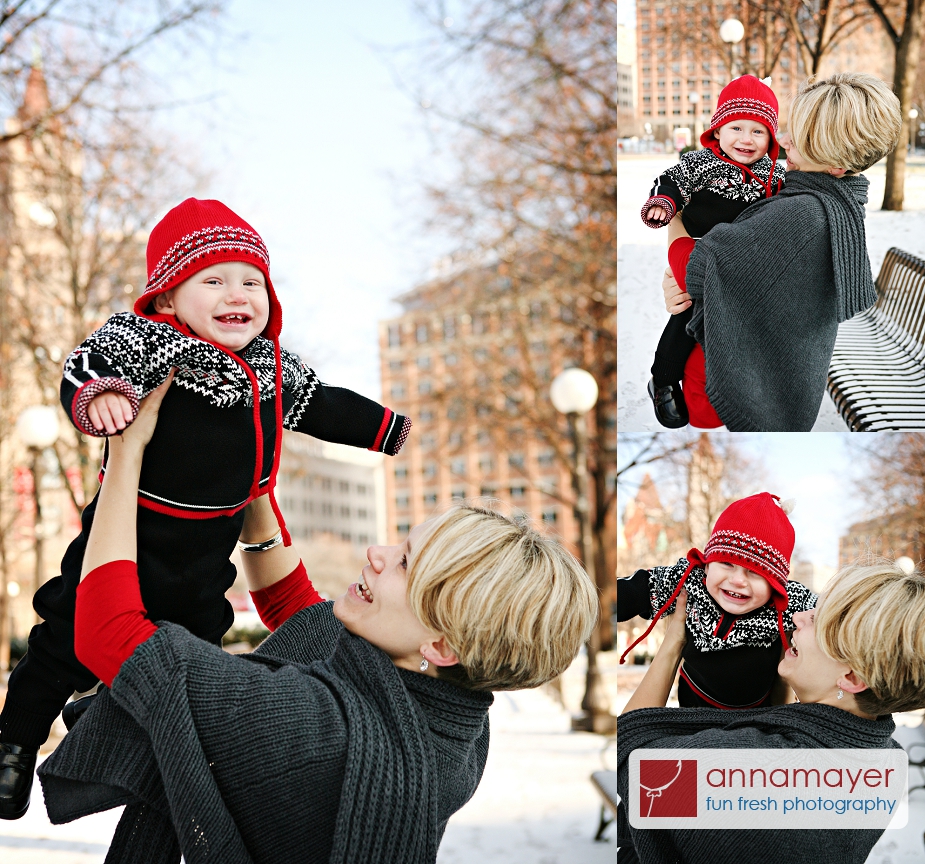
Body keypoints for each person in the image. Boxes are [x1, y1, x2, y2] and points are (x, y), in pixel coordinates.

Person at [34, 378, 599, 864]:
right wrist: (250, 471)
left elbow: (110, 634)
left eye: (404, 564)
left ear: (443, 643)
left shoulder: (313, 731)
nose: (377, 553)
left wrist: (126, 458)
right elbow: (304, 616)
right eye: (401, 543)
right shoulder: (450, 718)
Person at [0, 198, 411, 819]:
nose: (236, 293)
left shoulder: (273, 370)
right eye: (212, 280)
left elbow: (324, 404)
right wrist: (100, 398)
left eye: (251, 281)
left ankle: (125, 733)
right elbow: (84, 366)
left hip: (207, 555)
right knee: (64, 638)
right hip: (130, 535)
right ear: (167, 297)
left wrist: (383, 429)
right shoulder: (147, 340)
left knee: (191, 657)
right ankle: (14, 743)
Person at [617, 559, 925, 863]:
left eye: (817, 620)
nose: (800, 616)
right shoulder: (885, 762)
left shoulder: (745, 773)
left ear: (853, 678)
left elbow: (635, 761)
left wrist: (673, 642)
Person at [661, 72, 903, 431]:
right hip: (768, 356)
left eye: (801, 138)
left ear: (836, 165)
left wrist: (675, 219)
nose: (783, 140)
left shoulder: (801, 214)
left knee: (702, 420)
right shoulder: (839, 201)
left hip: (735, 378)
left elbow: (699, 266)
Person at [641, 75, 785, 428]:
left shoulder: (775, 176)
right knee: (685, 317)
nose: (746, 140)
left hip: (743, 267)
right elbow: (670, 181)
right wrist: (664, 203)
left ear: (771, 138)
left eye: (758, 131)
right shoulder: (702, 164)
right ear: (718, 130)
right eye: (737, 128)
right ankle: (662, 378)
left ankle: (732, 389)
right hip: (701, 254)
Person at [617, 492, 816, 708]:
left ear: (777, 584)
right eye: (727, 564)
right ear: (708, 564)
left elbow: (833, 613)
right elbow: (641, 587)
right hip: (693, 710)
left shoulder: (789, 603)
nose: (738, 580)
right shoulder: (690, 582)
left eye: (756, 573)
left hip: (756, 716)